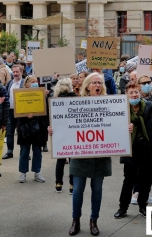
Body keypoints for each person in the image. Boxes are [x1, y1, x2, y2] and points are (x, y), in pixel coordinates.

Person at [61, 72, 111, 236]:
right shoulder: (76, 103)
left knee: (97, 190)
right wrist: (54, 129)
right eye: (94, 82)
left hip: (100, 156)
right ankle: (75, 220)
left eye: (100, 83)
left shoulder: (109, 104)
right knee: (77, 190)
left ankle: (93, 221)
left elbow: (115, 125)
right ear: (87, 86)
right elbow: (66, 125)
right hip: (81, 155)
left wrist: (126, 129)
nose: (98, 85)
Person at [113, 82, 152, 219]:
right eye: (131, 92)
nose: (134, 94)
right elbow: (114, 129)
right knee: (129, 179)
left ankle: (142, 205)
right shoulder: (121, 109)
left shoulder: (149, 107)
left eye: (136, 92)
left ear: (140, 93)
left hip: (147, 149)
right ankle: (123, 207)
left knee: (146, 179)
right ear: (126, 95)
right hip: (130, 149)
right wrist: (124, 129)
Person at [17, 75, 48, 183]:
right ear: (26, 84)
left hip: (37, 127)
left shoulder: (41, 94)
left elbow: (45, 111)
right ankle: (23, 173)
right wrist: (26, 115)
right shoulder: (20, 95)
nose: (35, 83)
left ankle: (37, 172)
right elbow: (17, 111)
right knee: (24, 151)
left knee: (37, 151)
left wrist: (45, 97)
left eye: (36, 82)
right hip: (25, 127)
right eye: (32, 82)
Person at [53, 77, 76, 194]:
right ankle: (72, 185)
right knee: (72, 159)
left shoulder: (54, 100)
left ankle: (58, 184)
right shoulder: (76, 98)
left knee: (60, 159)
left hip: (60, 132)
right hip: (73, 131)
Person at [3, 63, 24, 160]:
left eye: (17, 72)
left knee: (22, 132)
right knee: (9, 132)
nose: (15, 74)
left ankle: (24, 152)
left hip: (21, 111)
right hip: (10, 111)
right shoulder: (10, 83)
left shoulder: (24, 83)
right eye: (14, 72)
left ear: (21, 72)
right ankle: (9, 151)